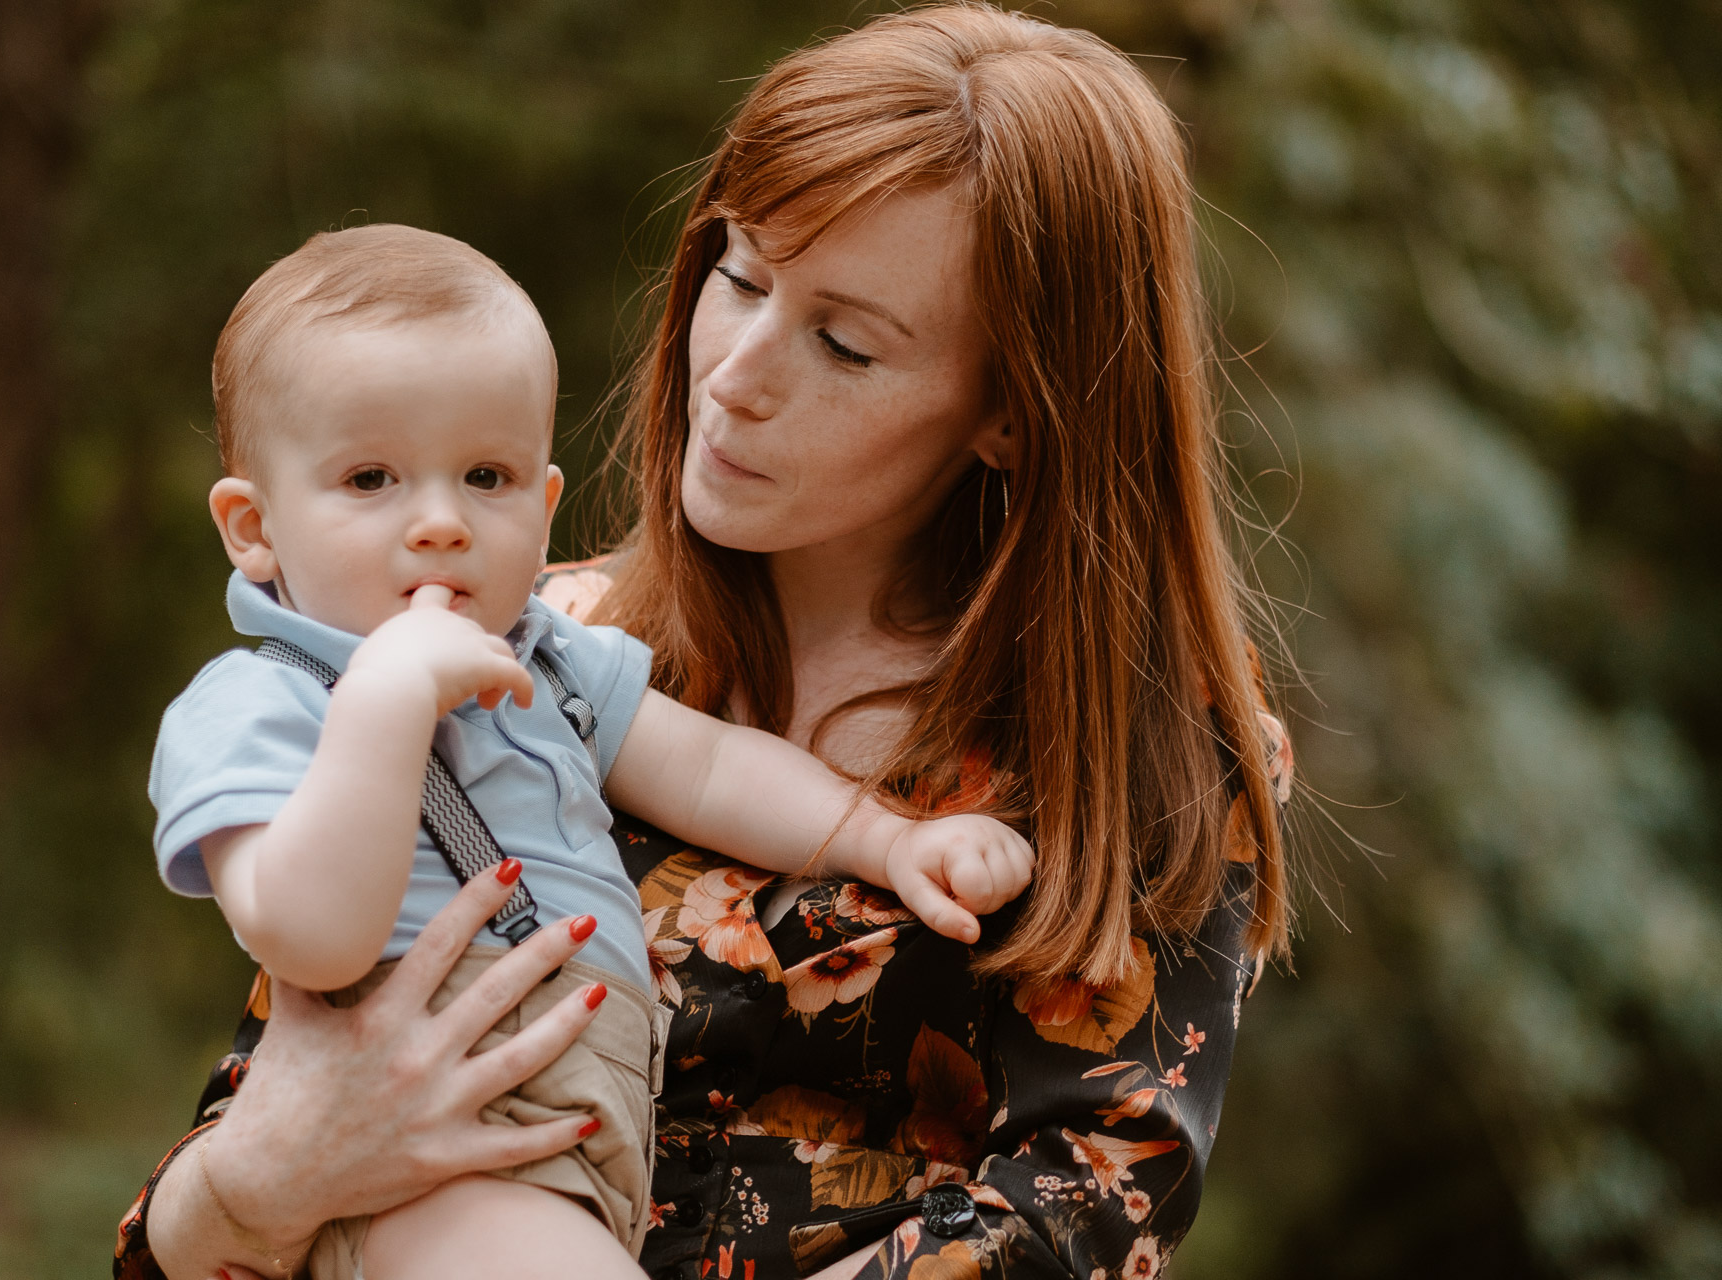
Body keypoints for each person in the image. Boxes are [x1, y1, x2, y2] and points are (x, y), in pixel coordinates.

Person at [115, 6, 1297, 1279]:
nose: (733, 371)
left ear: (1010, 413)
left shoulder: (1139, 756)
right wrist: (243, 1188)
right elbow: (246, 1141)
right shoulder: (492, 645)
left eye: (842, 342)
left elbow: (1071, 1214)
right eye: (737, 276)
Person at [150, 222, 1035, 1280]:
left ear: (546, 501)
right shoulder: (260, 703)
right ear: (252, 526)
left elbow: (708, 767)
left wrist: (886, 841)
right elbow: (309, 938)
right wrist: (385, 700)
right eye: (371, 478)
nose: (439, 522)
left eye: (485, 475)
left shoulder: (549, 653)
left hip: (576, 1128)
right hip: (433, 1154)